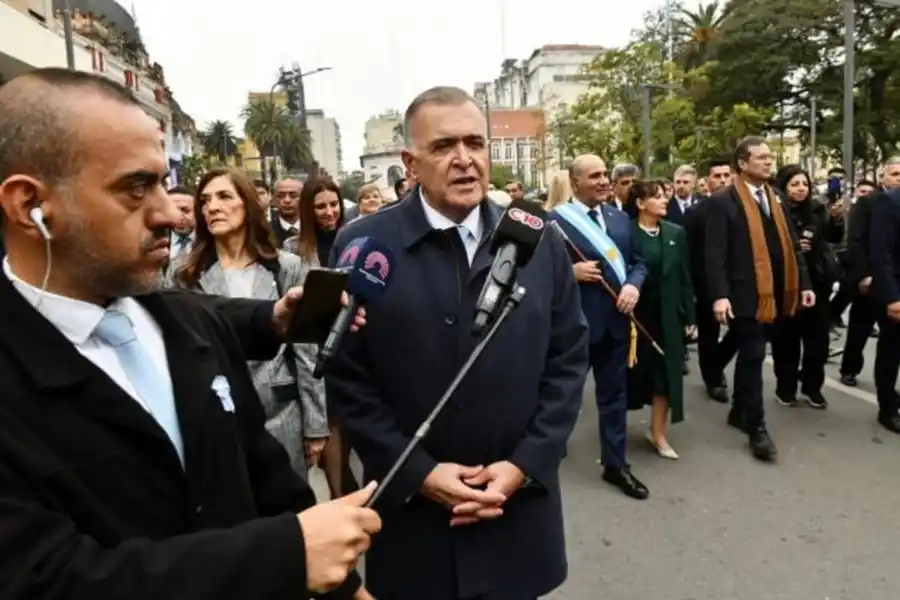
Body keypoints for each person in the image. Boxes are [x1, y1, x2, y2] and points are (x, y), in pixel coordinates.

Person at [0, 68, 377, 599]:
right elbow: (44, 579)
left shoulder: (188, 324)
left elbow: (268, 481)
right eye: (135, 188)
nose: (171, 216)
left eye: (162, 183)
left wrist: (348, 589)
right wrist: (280, 557)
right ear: (29, 206)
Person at [326, 86, 590, 600]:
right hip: (414, 521)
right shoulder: (364, 246)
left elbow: (567, 362)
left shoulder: (541, 242)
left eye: (475, 142)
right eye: (445, 146)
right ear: (410, 162)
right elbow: (347, 379)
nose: (465, 160)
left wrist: (523, 465)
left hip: (516, 511)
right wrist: (420, 474)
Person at [167, 168, 329, 475]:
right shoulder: (184, 274)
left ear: (248, 204)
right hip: (215, 423)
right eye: (205, 200)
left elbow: (307, 351)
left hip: (281, 415)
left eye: (224, 196)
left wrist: (315, 425)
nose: (213, 206)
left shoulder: (286, 267)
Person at [705, 137, 813, 462]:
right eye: (761, 157)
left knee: (751, 354)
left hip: (776, 293)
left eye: (770, 157)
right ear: (742, 163)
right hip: (743, 294)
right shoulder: (723, 201)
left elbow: (792, 244)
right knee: (752, 356)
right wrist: (720, 295)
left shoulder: (775, 196)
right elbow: (716, 254)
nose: (768, 162)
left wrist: (803, 283)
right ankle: (758, 429)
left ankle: (740, 410)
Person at [549, 154, 649, 499]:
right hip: (574, 327)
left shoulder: (619, 219)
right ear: (575, 183)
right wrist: (570, 274)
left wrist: (634, 285)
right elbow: (534, 273)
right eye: (595, 176)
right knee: (562, 397)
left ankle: (615, 464)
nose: (604, 180)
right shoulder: (554, 222)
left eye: (605, 174)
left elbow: (638, 262)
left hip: (616, 326)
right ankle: (542, 458)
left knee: (614, 398)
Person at [626, 180, 696, 459]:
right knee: (631, 376)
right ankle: (614, 434)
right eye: (656, 197)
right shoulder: (626, 232)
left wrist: (690, 316)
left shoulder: (675, 233)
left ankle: (658, 433)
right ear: (641, 203)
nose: (664, 200)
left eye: (664, 196)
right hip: (635, 318)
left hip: (667, 317)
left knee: (665, 377)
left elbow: (684, 277)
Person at [770, 165, 842, 409]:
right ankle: (786, 387)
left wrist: (836, 218)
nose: (801, 189)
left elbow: (832, 237)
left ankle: (812, 387)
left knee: (818, 343)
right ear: (783, 186)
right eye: (794, 184)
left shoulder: (817, 209)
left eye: (804, 184)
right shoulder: (776, 211)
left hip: (818, 283)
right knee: (786, 341)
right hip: (788, 285)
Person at [684, 157, 736, 403]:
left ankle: (715, 364)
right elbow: (691, 251)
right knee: (708, 334)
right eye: (717, 176)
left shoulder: (742, 206)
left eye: (727, 175)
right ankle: (713, 379)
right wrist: (692, 288)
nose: (723, 180)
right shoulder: (697, 211)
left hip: (738, 281)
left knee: (743, 330)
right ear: (707, 181)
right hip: (706, 283)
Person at [867, 187, 900, 433]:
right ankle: (887, 408)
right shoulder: (889, 202)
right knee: (891, 352)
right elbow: (880, 253)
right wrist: (892, 298)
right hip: (896, 290)